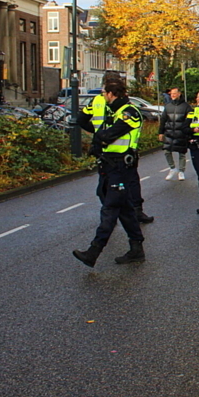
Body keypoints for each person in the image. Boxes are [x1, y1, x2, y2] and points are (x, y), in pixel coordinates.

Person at [72, 79, 146, 266]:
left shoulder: (130, 112)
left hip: (121, 167)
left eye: (105, 93)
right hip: (109, 165)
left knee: (111, 208)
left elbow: (109, 135)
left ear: (112, 94)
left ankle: (93, 251)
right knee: (125, 208)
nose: (103, 96)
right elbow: (102, 134)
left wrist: (100, 138)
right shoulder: (112, 113)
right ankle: (136, 248)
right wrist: (101, 138)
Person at [82, 72, 153, 224]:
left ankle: (115, 217)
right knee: (125, 185)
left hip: (114, 151)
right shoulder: (115, 105)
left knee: (110, 187)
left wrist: (97, 133)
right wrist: (102, 135)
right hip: (114, 151)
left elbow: (81, 119)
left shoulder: (103, 103)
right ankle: (131, 213)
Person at [159, 86, 191, 181]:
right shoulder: (168, 106)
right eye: (171, 94)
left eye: (174, 93)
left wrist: (187, 132)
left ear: (179, 94)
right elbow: (163, 120)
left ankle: (181, 171)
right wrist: (160, 132)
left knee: (182, 153)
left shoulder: (186, 106)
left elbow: (189, 121)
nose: (172, 95)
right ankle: (172, 168)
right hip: (169, 133)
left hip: (181, 134)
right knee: (167, 151)